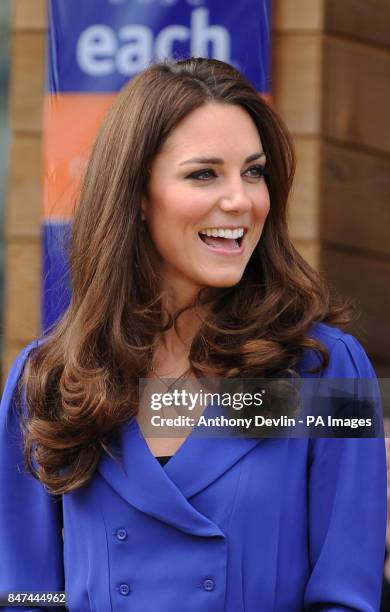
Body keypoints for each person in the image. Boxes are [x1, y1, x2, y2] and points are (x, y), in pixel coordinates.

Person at [0, 57, 386, 611]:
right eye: (204, 173)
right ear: (136, 195)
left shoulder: (324, 368)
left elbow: (345, 597)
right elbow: (24, 595)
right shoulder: (50, 376)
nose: (240, 200)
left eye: (253, 172)